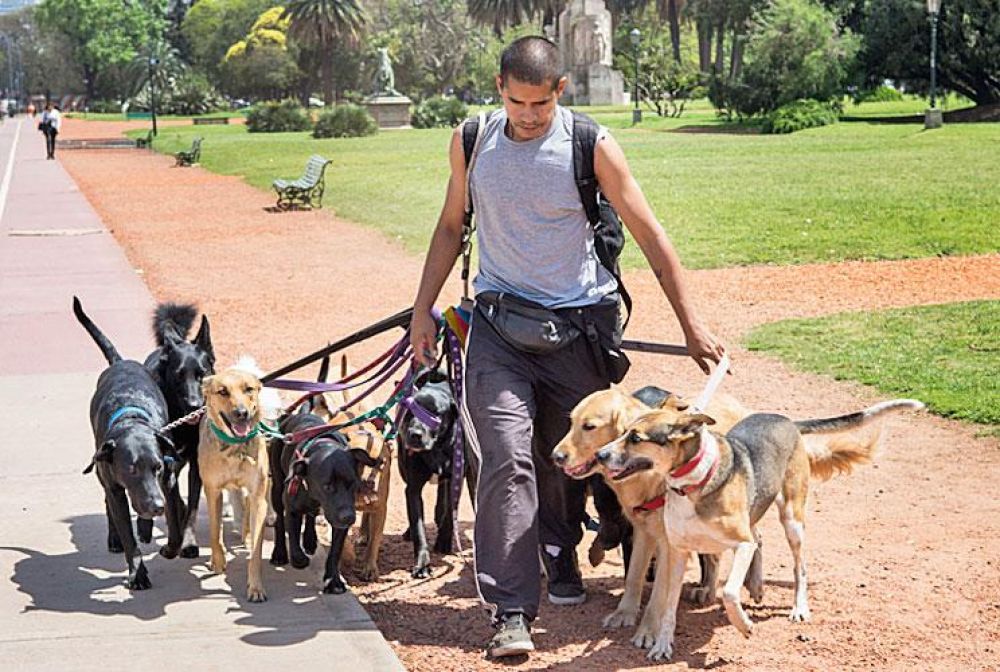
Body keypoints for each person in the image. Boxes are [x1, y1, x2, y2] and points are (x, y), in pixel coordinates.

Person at [409, 36, 725, 658]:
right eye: (518, 102)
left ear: (561, 91)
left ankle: (568, 552)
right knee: (503, 454)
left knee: (568, 458)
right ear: (499, 86)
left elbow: (651, 234)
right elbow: (452, 224)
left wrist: (692, 325)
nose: (528, 116)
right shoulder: (472, 140)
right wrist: (423, 309)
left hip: (577, 330)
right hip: (498, 327)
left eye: (540, 104)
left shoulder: (591, 145)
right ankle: (510, 611)